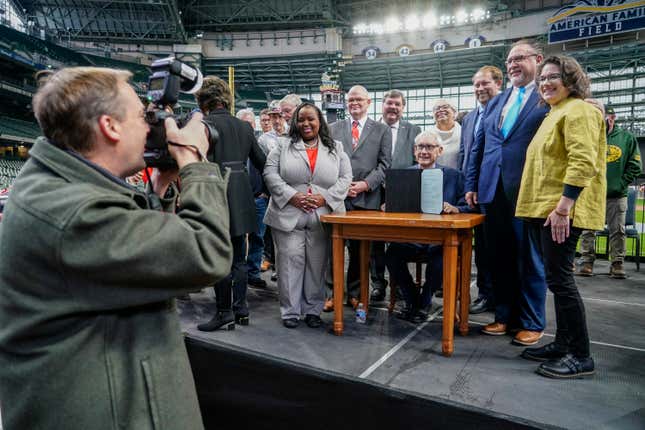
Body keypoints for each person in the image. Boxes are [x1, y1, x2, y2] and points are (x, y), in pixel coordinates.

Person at [0, 67, 232, 429]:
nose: (150, 126)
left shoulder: (57, 186)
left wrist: (158, 189)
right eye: (143, 116)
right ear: (110, 126)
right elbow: (206, 253)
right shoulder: (75, 213)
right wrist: (193, 161)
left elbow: (128, 265)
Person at [515, 55, 606, 378]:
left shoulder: (579, 109)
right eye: (542, 79)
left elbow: (583, 161)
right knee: (556, 279)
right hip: (546, 209)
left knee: (561, 281)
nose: (545, 83)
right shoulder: (557, 112)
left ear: (571, 79)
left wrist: (564, 207)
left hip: (561, 211)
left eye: (553, 76)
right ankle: (564, 343)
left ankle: (581, 355)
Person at [465, 39, 549, 347]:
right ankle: (504, 317)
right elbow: (479, 146)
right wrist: (471, 185)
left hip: (527, 189)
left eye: (520, 58)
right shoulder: (497, 101)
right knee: (498, 257)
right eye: (509, 60)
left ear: (537, 60)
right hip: (491, 189)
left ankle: (531, 321)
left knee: (529, 258)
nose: (513, 64)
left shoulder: (547, 96)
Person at [263, 103, 352, 328]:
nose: (305, 123)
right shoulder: (282, 146)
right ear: (295, 122)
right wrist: (293, 196)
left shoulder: (336, 148)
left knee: (317, 264)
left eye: (310, 119)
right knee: (289, 262)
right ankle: (290, 312)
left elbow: (345, 178)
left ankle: (313, 310)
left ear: (319, 121)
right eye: (301, 119)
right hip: (288, 214)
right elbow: (270, 174)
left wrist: (325, 198)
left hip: (322, 215)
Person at [196, 76, 266, 331]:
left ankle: (223, 311)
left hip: (215, 194)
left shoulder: (203, 125)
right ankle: (241, 309)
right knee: (239, 257)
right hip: (242, 196)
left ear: (203, 100)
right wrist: (265, 192)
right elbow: (262, 162)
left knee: (220, 258)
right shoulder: (245, 128)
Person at [385, 130, 472, 322]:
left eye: (429, 147)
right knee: (392, 254)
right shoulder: (403, 175)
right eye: (420, 147)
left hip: (440, 240)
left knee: (441, 255)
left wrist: (456, 208)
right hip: (411, 238)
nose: (424, 151)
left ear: (439, 151)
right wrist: (389, 205)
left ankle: (424, 301)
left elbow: (468, 206)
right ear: (414, 150)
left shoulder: (454, 176)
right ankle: (411, 298)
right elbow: (392, 204)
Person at [326, 85, 392, 311]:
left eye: (359, 100)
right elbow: (327, 162)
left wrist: (365, 184)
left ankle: (354, 293)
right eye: (350, 100)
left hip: (367, 198)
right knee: (332, 248)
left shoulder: (382, 130)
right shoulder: (333, 128)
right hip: (337, 197)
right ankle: (332, 293)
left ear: (368, 102)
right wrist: (342, 186)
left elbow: (385, 164)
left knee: (360, 251)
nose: (354, 103)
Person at [577, 105, 642, 278]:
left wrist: (621, 183)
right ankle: (586, 261)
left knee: (617, 230)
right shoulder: (590, 136)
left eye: (606, 117)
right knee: (587, 229)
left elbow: (635, 166)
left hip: (616, 194)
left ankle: (617, 263)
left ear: (612, 118)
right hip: (591, 194)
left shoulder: (626, 138)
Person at [371, 89, 422, 301]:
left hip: (402, 192)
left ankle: (399, 283)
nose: (392, 107)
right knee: (375, 241)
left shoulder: (413, 130)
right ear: (382, 105)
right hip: (374, 191)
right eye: (389, 103)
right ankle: (378, 283)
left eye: (397, 104)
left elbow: (417, 161)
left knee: (398, 241)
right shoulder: (371, 129)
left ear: (403, 107)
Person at [459, 66, 503, 314]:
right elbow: (466, 155)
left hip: (497, 191)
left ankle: (501, 298)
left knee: (499, 249)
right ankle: (486, 294)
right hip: (473, 192)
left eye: (485, 83)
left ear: (498, 83)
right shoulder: (469, 118)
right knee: (482, 250)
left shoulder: (503, 113)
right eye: (476, 85)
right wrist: (468, 187)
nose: (480, 89)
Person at [238, 108, 269, 289]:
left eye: (251, 124)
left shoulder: (260, 145)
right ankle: (238, 272)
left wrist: (265, 192)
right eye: (245, 124)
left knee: (258, 237)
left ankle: (253, 272)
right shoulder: (233, 148)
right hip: (239, 200)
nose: (248, 127)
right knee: (238, 238)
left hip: (258, 199)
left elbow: (267, 169)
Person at [430, 99, 461, 170]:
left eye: (445, 107)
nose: (440, 110)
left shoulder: (464, 133)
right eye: (437, 108)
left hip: (458, 177)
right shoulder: (427, 134)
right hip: (433, 177)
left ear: (454, 112)